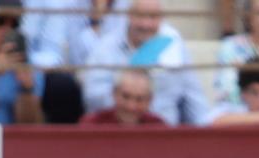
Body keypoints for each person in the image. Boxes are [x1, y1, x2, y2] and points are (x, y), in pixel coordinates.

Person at [77, 0, 212, 126]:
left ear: (161, 19)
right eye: (140, 16)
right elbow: (93, 98)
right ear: (129, 16)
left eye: (153, 17)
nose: (146, 24)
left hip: (163, 134)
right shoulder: (105, 48)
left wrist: (204, 132)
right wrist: (131, 101)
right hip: (116, 132)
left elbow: (193, 96)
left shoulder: (173, 45)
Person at [81, 68, 167, 125]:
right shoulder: (93, 124)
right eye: (126, 97)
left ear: (149, 100)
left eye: (139, 99)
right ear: (114, 94)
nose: (131, 106)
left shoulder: (158, 127)